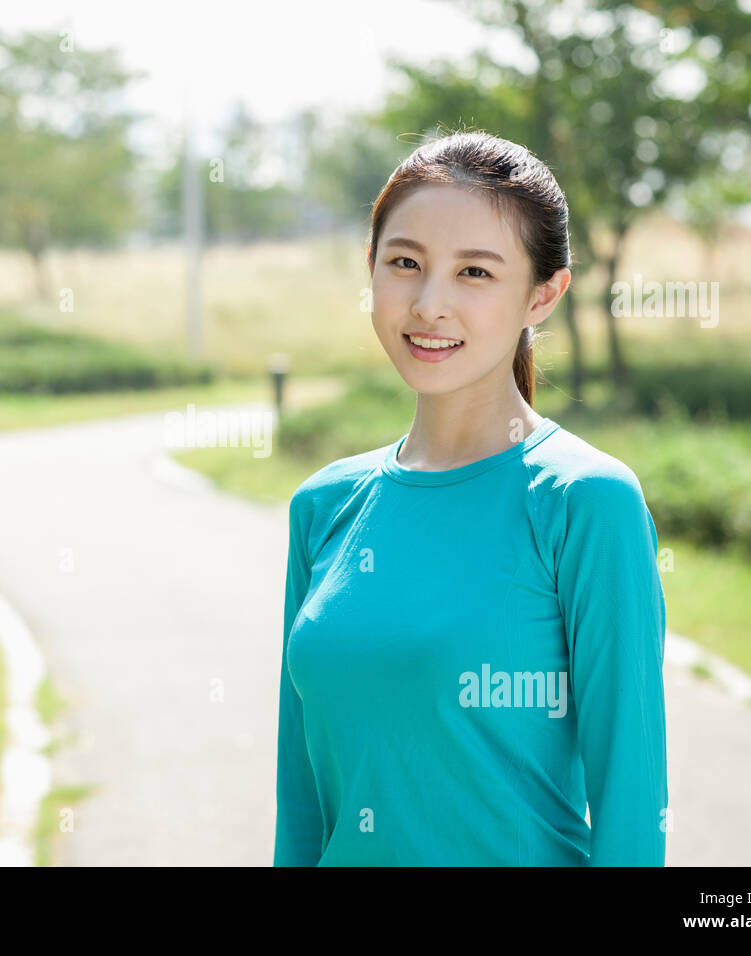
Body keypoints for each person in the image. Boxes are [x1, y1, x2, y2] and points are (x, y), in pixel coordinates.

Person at [274, 130, 669, 866]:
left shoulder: (586, 503)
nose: (429, 304)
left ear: (543, 294)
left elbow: (633, 806)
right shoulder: (322, 508)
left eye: (475, 273)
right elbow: (299, 802)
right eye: (405, 264)